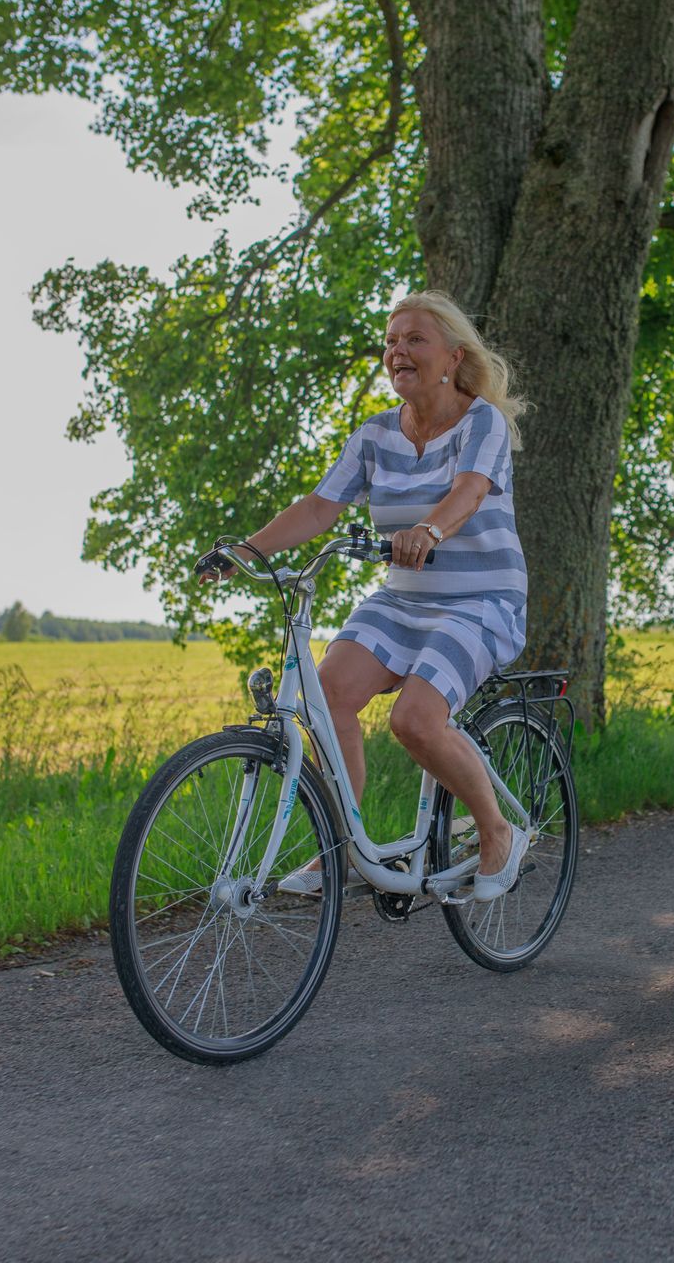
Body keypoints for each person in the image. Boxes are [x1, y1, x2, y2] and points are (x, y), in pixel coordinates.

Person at [203, 290, 531, 901]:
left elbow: (468, 492)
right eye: (390, 340)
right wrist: (248, 551)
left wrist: (429, 529)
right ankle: (342, 853)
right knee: (327, 697)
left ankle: (496, 832)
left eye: (414, 339)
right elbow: (321, 506)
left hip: (482, 601)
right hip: (404, 600)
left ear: (453, 357)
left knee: (414, 719)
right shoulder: (375, 435)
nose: (397, 350)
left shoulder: (478, 421)